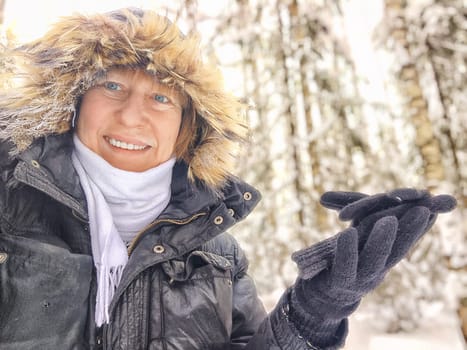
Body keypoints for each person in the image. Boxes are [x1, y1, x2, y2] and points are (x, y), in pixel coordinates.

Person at [0, 7, 456, 350]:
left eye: (162, 97)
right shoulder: (8, 205)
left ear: (187, 126)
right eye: (112, 86)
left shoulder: (216, 250)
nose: (133, 116)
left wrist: (317, 310)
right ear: (74, 99)